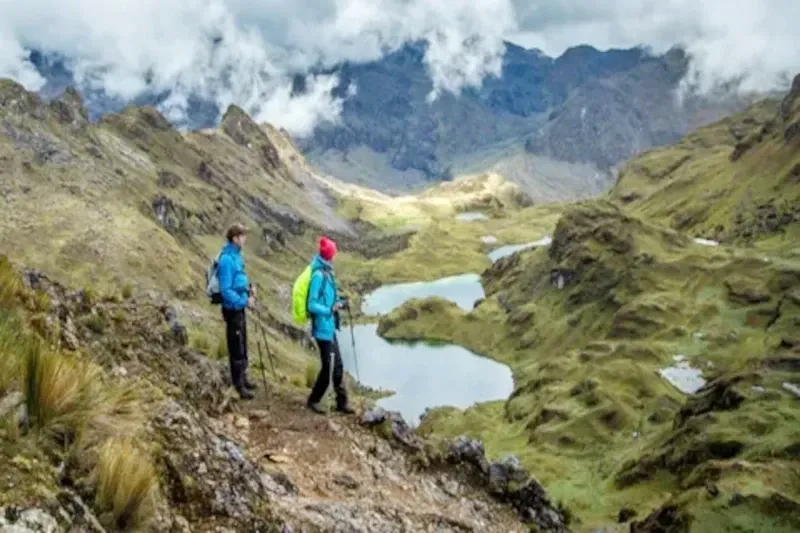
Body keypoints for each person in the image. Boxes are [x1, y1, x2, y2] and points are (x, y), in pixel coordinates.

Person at [306, 236, 355, 415]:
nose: (335, 256)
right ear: (329, 255)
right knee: (329, 367)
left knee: (338, 365)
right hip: (322, 329)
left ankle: (342, 402)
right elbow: (312, 304)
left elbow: (329, 300)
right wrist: (329, 309)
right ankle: (314, 400)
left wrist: (340, 303)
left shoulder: (326, 273)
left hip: (329, 327)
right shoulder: (319, 276)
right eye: (333, 253)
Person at [218, 223, 257, 400]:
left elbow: (237, 281)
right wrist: (244, 301)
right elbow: (226, 290)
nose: (245, 239)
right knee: (236, 347)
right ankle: (238, 385)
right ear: (235, 238)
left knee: (242, 343)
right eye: (242, 236)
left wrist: (248, 289)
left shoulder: (236, 257)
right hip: (233, 310)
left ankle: (243, 378)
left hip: (239, 308)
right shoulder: (226, 260)